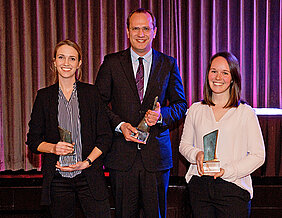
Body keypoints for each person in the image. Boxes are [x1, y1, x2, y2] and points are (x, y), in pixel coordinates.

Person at [95, 8, 187, 218]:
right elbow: (98, 104)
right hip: (121, 156)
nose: (141, 33)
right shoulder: (111, 62)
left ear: (155, 31)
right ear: (127, 32)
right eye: (135, 28)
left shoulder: (168, 63)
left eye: (146, 28)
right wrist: (120, 126)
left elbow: (181, 105)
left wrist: (161, 115)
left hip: (156, 158)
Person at [26, 39, 112, 218]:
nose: (66, 63)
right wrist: (53, 148)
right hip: (58, 180)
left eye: (72, 59)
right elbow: (33, 141)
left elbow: (105, 137)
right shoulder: (44, 97)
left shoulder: (92, 94)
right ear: (54, 61)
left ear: (79, 63)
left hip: (90, 177)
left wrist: (87, 162)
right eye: (61, 57)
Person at [179, 51, 265, 217]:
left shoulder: (245, 113)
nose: (218, 77)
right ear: (208, 74)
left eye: (225, 73)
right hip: (200, 187)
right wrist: (196, 154)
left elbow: (258, 155)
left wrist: (228, 171)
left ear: (233, 78)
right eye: (214, 71)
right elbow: (184, 146)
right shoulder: (196, 109)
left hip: (233, 188)